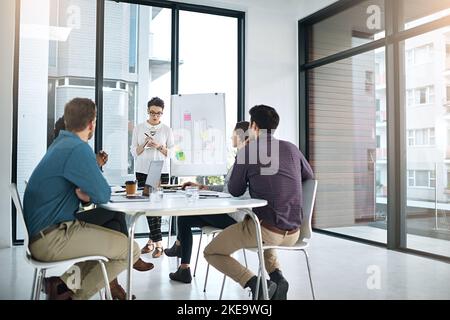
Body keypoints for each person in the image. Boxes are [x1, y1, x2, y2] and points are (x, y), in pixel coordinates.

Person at [23, 98, 154, 300]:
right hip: (52, 238)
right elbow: (102, 194)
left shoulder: (61, 144)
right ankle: (72, 296)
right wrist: (88, 194)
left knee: (112, 225)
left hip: (43, 233)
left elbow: (85, 195)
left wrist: (85, 197)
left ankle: (62, 284)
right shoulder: (77, 148)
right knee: (131, 249)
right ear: (92, 123)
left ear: (67, 121)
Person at [203, 105, 314, 300]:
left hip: (266, 232)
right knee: (265, 220)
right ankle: (278, 278)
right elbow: (309, 177)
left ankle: (256, 284)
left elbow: (235, 191)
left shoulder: (249, 151)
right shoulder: (292, 148)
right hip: (295, 232)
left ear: (253, 126)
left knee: (211, 252)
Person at [164, 121, 250, 283]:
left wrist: (208, 192)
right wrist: (202, 187)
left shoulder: (245, 160)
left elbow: (231, 192)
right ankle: (184, 268)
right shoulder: (241, 158)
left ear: (240, 136)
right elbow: (227, 187)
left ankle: (179, 250)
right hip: (229, 211)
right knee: (184, 218)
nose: (231, 136)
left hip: (234, 217)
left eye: (233, 133)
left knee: (185, 216)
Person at [130, 97, 174, 258]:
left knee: (157, 207)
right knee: (149, 206)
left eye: (159, 113)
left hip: (161, 170)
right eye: (152, 112)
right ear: (148, 111)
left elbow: (172, 153)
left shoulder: (167, 130)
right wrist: (144, 145)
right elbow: (133, 152)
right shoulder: (139, 128)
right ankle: (158, 243)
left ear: (162, 113)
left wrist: (158, 146)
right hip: (143, 170)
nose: (155, 116)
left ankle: (153, 243)